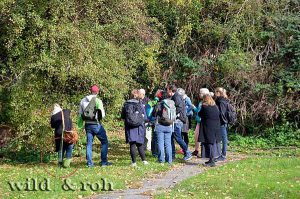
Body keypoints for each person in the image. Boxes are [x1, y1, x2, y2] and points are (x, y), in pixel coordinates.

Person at [78, 85, 111, 167]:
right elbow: (102, 115)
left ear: (90, 91)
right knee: (104, 142)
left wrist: (80, 125)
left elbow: (80, 114)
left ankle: (89, 163)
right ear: (97, 92)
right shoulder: (98, 101)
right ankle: (103, 162)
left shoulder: (83, 100)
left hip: (87, 125)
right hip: (95, 124)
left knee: (89, 144)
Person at [121, 89, 148, 167]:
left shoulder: (126, 104)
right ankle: (144, 160)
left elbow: (123, 116)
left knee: (132, 144)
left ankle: (134, 162)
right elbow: (144, 116)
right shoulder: (140, 104)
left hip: (129, 126)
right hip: (139, 126)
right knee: (140, 144)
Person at [167, 85, 192, 161]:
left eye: (168, 90)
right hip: (178, 120)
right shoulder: (177, 96)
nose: (167, 92)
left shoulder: (176, 97)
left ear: (171, 90)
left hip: (178, 120)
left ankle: (188, 152)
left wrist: (173, 115)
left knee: (178, 138)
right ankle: (172, 155)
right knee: (172, 136)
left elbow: (179, 107)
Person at [198, 94, 222, 167]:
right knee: (213, 143)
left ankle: (212, 161)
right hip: (216, 127)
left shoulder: (204, 107)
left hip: (208, 127)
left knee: (209, 143)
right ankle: (212, 159)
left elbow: (200, 114)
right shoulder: (215, 107)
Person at [152, 91, 174, 164]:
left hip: (160, 126)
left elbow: (154, 114)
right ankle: (169, 160)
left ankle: (161, 160)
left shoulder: (159, 104)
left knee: (160, 143)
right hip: (169, 125)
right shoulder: (172, 103)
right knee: (168, 144)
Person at [50, 103, 74, 168]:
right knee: (69, 146)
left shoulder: (53, 116)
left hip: (59, 134)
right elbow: (71, 122)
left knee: (61, 148)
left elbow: (52, 126)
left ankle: (60, 163)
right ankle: (67, 162)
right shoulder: (66, 113)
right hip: (68, 133)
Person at [215, 87, 230, 161]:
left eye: (216, 92)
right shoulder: (224, 100)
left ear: (218, 93)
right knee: (223, 138)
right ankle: (220, 153)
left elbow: (222, 113)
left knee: (224, 139)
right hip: (222, 122)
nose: (215, 94)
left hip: (222, 122)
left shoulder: (221, 101)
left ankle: (223, 155)